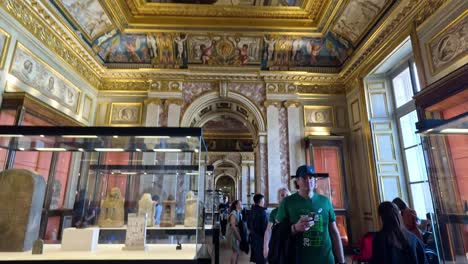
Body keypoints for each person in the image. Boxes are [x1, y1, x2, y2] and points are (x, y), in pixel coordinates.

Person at [276, 165, 345, 264]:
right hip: (298, 259)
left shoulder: (325, 201)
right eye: (304, 178)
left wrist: (342, 260)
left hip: (326, 259)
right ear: (297, 181)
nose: (308, 181)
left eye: (311, 177)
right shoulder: (287, 203)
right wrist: (295, 228)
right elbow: (277, 231)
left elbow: (334, 232)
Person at [263, 187, 290, 258]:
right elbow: (268, 230)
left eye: (287, 195)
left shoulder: (293, 211)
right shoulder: (274, 212)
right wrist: (265, 246)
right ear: (278, 198)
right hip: (278, 244)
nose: (285, 197)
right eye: (282, 195)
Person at [249, 194, 268, 264]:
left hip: (254, 237)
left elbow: (249, 224)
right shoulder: (262, 212)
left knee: (258, 259)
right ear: (260, 201)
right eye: (263, 199)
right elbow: (264, 227)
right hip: (261, 239)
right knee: (262, 259)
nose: (264, 201)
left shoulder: (252, 210)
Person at [226, 200, 243, 264]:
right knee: (235, 252)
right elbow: (233, 226)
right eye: (240, 204)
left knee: (237, 251)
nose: (241, 205)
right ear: (236, 205)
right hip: (233, 234)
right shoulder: (233, 213)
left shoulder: (238, 212)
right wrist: (238, 235)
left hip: (236, 232)